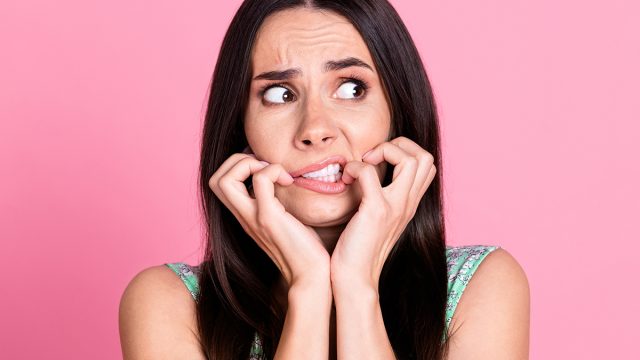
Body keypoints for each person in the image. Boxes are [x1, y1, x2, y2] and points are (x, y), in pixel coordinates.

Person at [119, 1, 530, 359]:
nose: (315, 128)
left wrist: (356, 287)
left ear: (398, 115)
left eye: (351, 88)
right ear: (240, 130)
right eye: (280, 94)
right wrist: (309, 290)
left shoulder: (481, 288)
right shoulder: (169, 304)